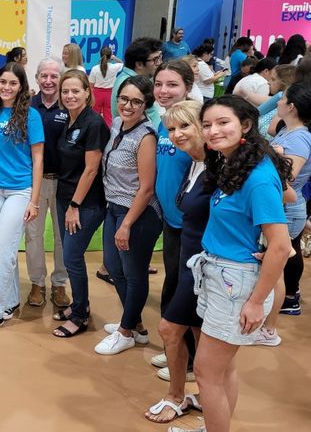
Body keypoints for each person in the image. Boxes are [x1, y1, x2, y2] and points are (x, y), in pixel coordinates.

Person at [188, 95, 291, 432]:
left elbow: (281, 246)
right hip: (220, 273)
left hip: (236, 281)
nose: (213, 131)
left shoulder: (257, 176)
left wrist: (256, 301)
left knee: (206, 373)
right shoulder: (236, 163)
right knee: (221, 369)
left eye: (223, 123)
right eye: (207, 125)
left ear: (245, 125)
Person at [144, 101, 207, 424]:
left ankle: (176, 396)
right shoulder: (194, 163)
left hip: (207, 266)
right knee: (196, 332)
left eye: (185, 126)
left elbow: (278, 195)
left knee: (169, 329)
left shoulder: (221, 166)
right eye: (171, 129)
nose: (177, 134)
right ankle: (191, 396)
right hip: (189, 257)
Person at [0, 62, 44, 334]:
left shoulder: (31, 116)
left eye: (13, 83)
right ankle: (10, 300)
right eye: (3, 82)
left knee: (0, 251)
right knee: (3, 247)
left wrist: (34, 200)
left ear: (21, 86)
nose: (7, 87)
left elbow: (38, 159)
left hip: (19, 190)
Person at [96, 75, 162, 355]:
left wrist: (127, 224)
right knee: (114, 268)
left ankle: (125, 332)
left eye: (136, 101)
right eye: (124, 99)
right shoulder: (117, 125)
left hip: (138, 213)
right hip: (114, 208)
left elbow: (146, 188)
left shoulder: (146, 136)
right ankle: (136, 325)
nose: (128, 106)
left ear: (146, 105)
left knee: (134, 274)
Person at [51, 70, 110, 338]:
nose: (70, 96)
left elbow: (91, 169)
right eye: (65, 91)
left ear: (88, 92)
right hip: (65, 197)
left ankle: (80, 315)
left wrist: (75, 205)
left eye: (76, 91)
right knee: (69, 255)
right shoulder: (69, 119)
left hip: (85, 203)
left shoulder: (93, 123)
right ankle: (79, 304)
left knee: (72, 256)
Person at [153, 60, 198, 381]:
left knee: (189, 291)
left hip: (192, 224)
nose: (163, 91)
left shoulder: (198, 124)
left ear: (188, 87)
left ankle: (190, 361)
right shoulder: (164, 123)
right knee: (172, 283)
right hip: (171, 220)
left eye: (172, 85)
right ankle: (175, 349)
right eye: (159, 84)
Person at [26, 57, 69, 308]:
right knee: (33, 234)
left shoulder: (70, 105)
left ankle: (60, 283)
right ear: (37, 78)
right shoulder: (28, 106)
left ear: (61, 78)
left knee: (63, 236)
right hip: (35, 182)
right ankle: (37, 283)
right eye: (44, 75)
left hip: (64, 182)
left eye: (54, 76)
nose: (49, 80)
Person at [267, 83, 311, 320]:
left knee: (284, 254)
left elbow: (288, 177)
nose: (277, 102)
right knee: (285, 251)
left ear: (292, 106)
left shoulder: (299, 138)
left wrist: (276, 156)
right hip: (284, 204)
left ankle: (290, 297)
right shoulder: (287, 131)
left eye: (282, 98)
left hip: (289, 206)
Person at [111, 37, 163, 126]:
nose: (159, 63)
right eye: (155, 59)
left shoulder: (123, 77)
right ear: (139, 64)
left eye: (160, 58)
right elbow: (153, 118)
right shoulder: (134, 85)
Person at [88, 46, 124, 125]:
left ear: (100, 55)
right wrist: (114, 58)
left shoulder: (95, 68)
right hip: (110, 93)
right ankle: (108, 131)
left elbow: (91, 85)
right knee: (108, 116)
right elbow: (122, 64)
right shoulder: (115, 67)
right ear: (110, 56)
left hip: (97, 94)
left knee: (94, 114)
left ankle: (94, 129)